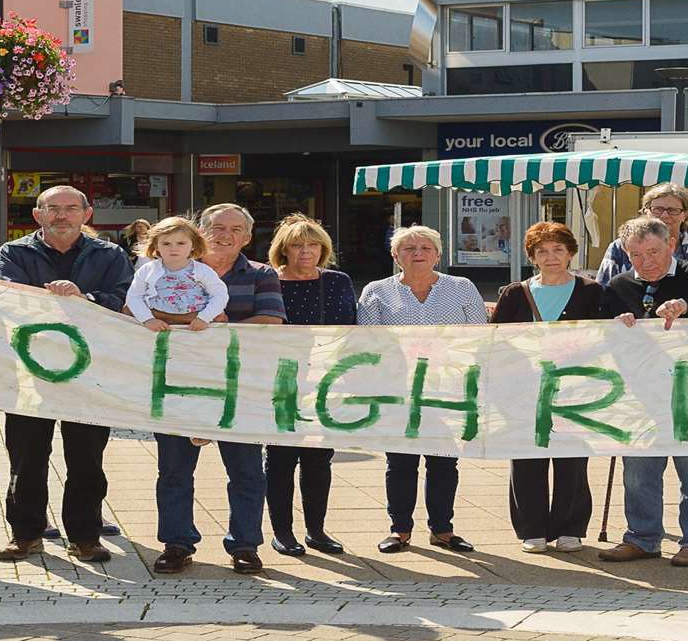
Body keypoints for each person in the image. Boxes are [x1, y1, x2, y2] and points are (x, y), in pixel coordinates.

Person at [0, 185, 135, 565]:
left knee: (87, 459)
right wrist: (52, 299)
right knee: (26, 459)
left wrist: (84, 299)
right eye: (52, 208)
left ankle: (85, 537)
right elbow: (4, 297)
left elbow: (123, 300)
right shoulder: (13, 253)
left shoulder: (111, 255)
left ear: (87, 214)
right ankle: (26, 535)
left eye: (71, 208)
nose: (62, 216)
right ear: (37, 215)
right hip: (29, 373)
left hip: (91, 374)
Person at [598, 216, 688, 567]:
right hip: (643, 395)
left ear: (671, 245)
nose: (645, 261)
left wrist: (687, 306)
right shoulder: (618, 286)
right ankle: (642, 537)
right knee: (638, 473)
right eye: (635, 254)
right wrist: (615, 326)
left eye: (652, 251)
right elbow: (601, 330)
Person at [151, 203, 282, 575]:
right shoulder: (165, 270)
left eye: (236, 229)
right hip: (177, 384)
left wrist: (197, 327)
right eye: (217, 227)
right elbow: (137, 315)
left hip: (238, 387)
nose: (226, 235)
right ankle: (177, 544)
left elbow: (270, 321)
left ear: (248, 236)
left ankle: (244, 545)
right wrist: (201, 322)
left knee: (246, 472)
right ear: (200, 232)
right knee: (174, 471)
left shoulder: (261, 274)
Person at [358, 225, 487, 555]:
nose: (417, 253)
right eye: (408, 248)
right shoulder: (376, 291)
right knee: (400, 463)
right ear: (395, 255)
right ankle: (399, 530)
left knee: (444, 462)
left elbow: (479, 337)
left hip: (447, 389)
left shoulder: (462, 287)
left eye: (425, 248)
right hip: (397, 389)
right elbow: (370, 341)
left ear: (438, 254)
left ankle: (443, 530)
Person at [491, 221, 604, 553]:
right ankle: (532, 528)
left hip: (575, 391)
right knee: (527, 459)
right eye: (542, 251)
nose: (551, 257)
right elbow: (497, 340)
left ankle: (571, 527)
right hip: (524, 391)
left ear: (570, 253)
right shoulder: (514, 293)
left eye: (558, 249)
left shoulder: (591, 291)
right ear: (532, 256)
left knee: (572, 459)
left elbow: (604, 339)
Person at [266, 214, 356, 556]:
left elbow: (353, 329)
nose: (306, 251)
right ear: (283, 250)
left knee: (319, 460)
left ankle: (316, 529)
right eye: (298, 245)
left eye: (313, 244)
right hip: (280, 383)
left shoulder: (338, 281)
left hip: (325, 382)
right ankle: (282, 531)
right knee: (280, 459)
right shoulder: (268, 280)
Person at [594, 182, 688, 284]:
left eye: (673, 210)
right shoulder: (619, 248)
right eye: (657, 209)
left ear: (685, 215)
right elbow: (603, 292)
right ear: (645, 211)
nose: (664, 215)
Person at [126, 217, 228, 331]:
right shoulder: (146, 270)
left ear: (193, 245)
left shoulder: (203, 271)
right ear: (156, 246)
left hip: (195, 328)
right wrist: (147, 319)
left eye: (181, 243)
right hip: (157, 326)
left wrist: (204, 317)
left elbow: (220, 294)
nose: (173, 248)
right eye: (166, 243)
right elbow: (134, 296)